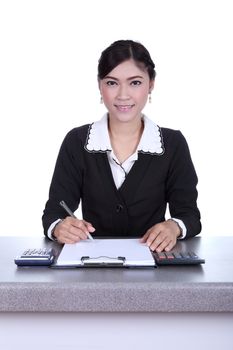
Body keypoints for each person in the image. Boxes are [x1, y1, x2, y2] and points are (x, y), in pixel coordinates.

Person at [42, 39, 201, 252]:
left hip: (155, 269)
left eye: (135, 82)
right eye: (112, 83)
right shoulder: (77, 141)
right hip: (92, 266)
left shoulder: (172, 144)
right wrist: (59, 227)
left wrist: (173, 227)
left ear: (151, 84)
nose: (123, 95)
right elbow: (53, 213)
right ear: (100, 85)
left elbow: (190, 216)